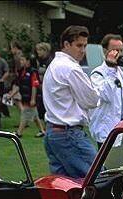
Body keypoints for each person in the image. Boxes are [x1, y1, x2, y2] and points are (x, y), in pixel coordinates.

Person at [42, 25, 100, 178]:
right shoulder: (70, 68)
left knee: (63, 187)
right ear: (66, 45)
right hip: (69, 133)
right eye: (78, 45)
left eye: (84, 46)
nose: (82, 50)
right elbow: (92, 100)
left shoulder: (53, 65)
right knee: (99, 178)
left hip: (53, 133)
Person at [89, 34, 123, 147]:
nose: (120, 54)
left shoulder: (120, 73)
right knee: (112, 164)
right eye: (116, 50)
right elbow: (106, 95)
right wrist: (110, 68)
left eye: (122, 50)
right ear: (105, 51)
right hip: (108, 132)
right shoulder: (98, 74)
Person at [10, 53, 45, 138]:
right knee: (35, 115)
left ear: (28, 61)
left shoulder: (33, 72)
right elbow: (19, 85)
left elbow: (34, 86)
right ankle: (42, 131)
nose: (21, 62)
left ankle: (19, 132)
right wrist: (12, 94)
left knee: (25, 114)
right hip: (25, 96)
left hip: (31, 97)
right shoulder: (22, 71)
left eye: (23, 60)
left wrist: (33, 99)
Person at [33, 42, 53, 121]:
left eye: (40, 50)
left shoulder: (49, 62)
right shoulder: (39, 61)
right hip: (40, 87)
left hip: (46, 88)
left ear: (45, 51)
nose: (38, 52)